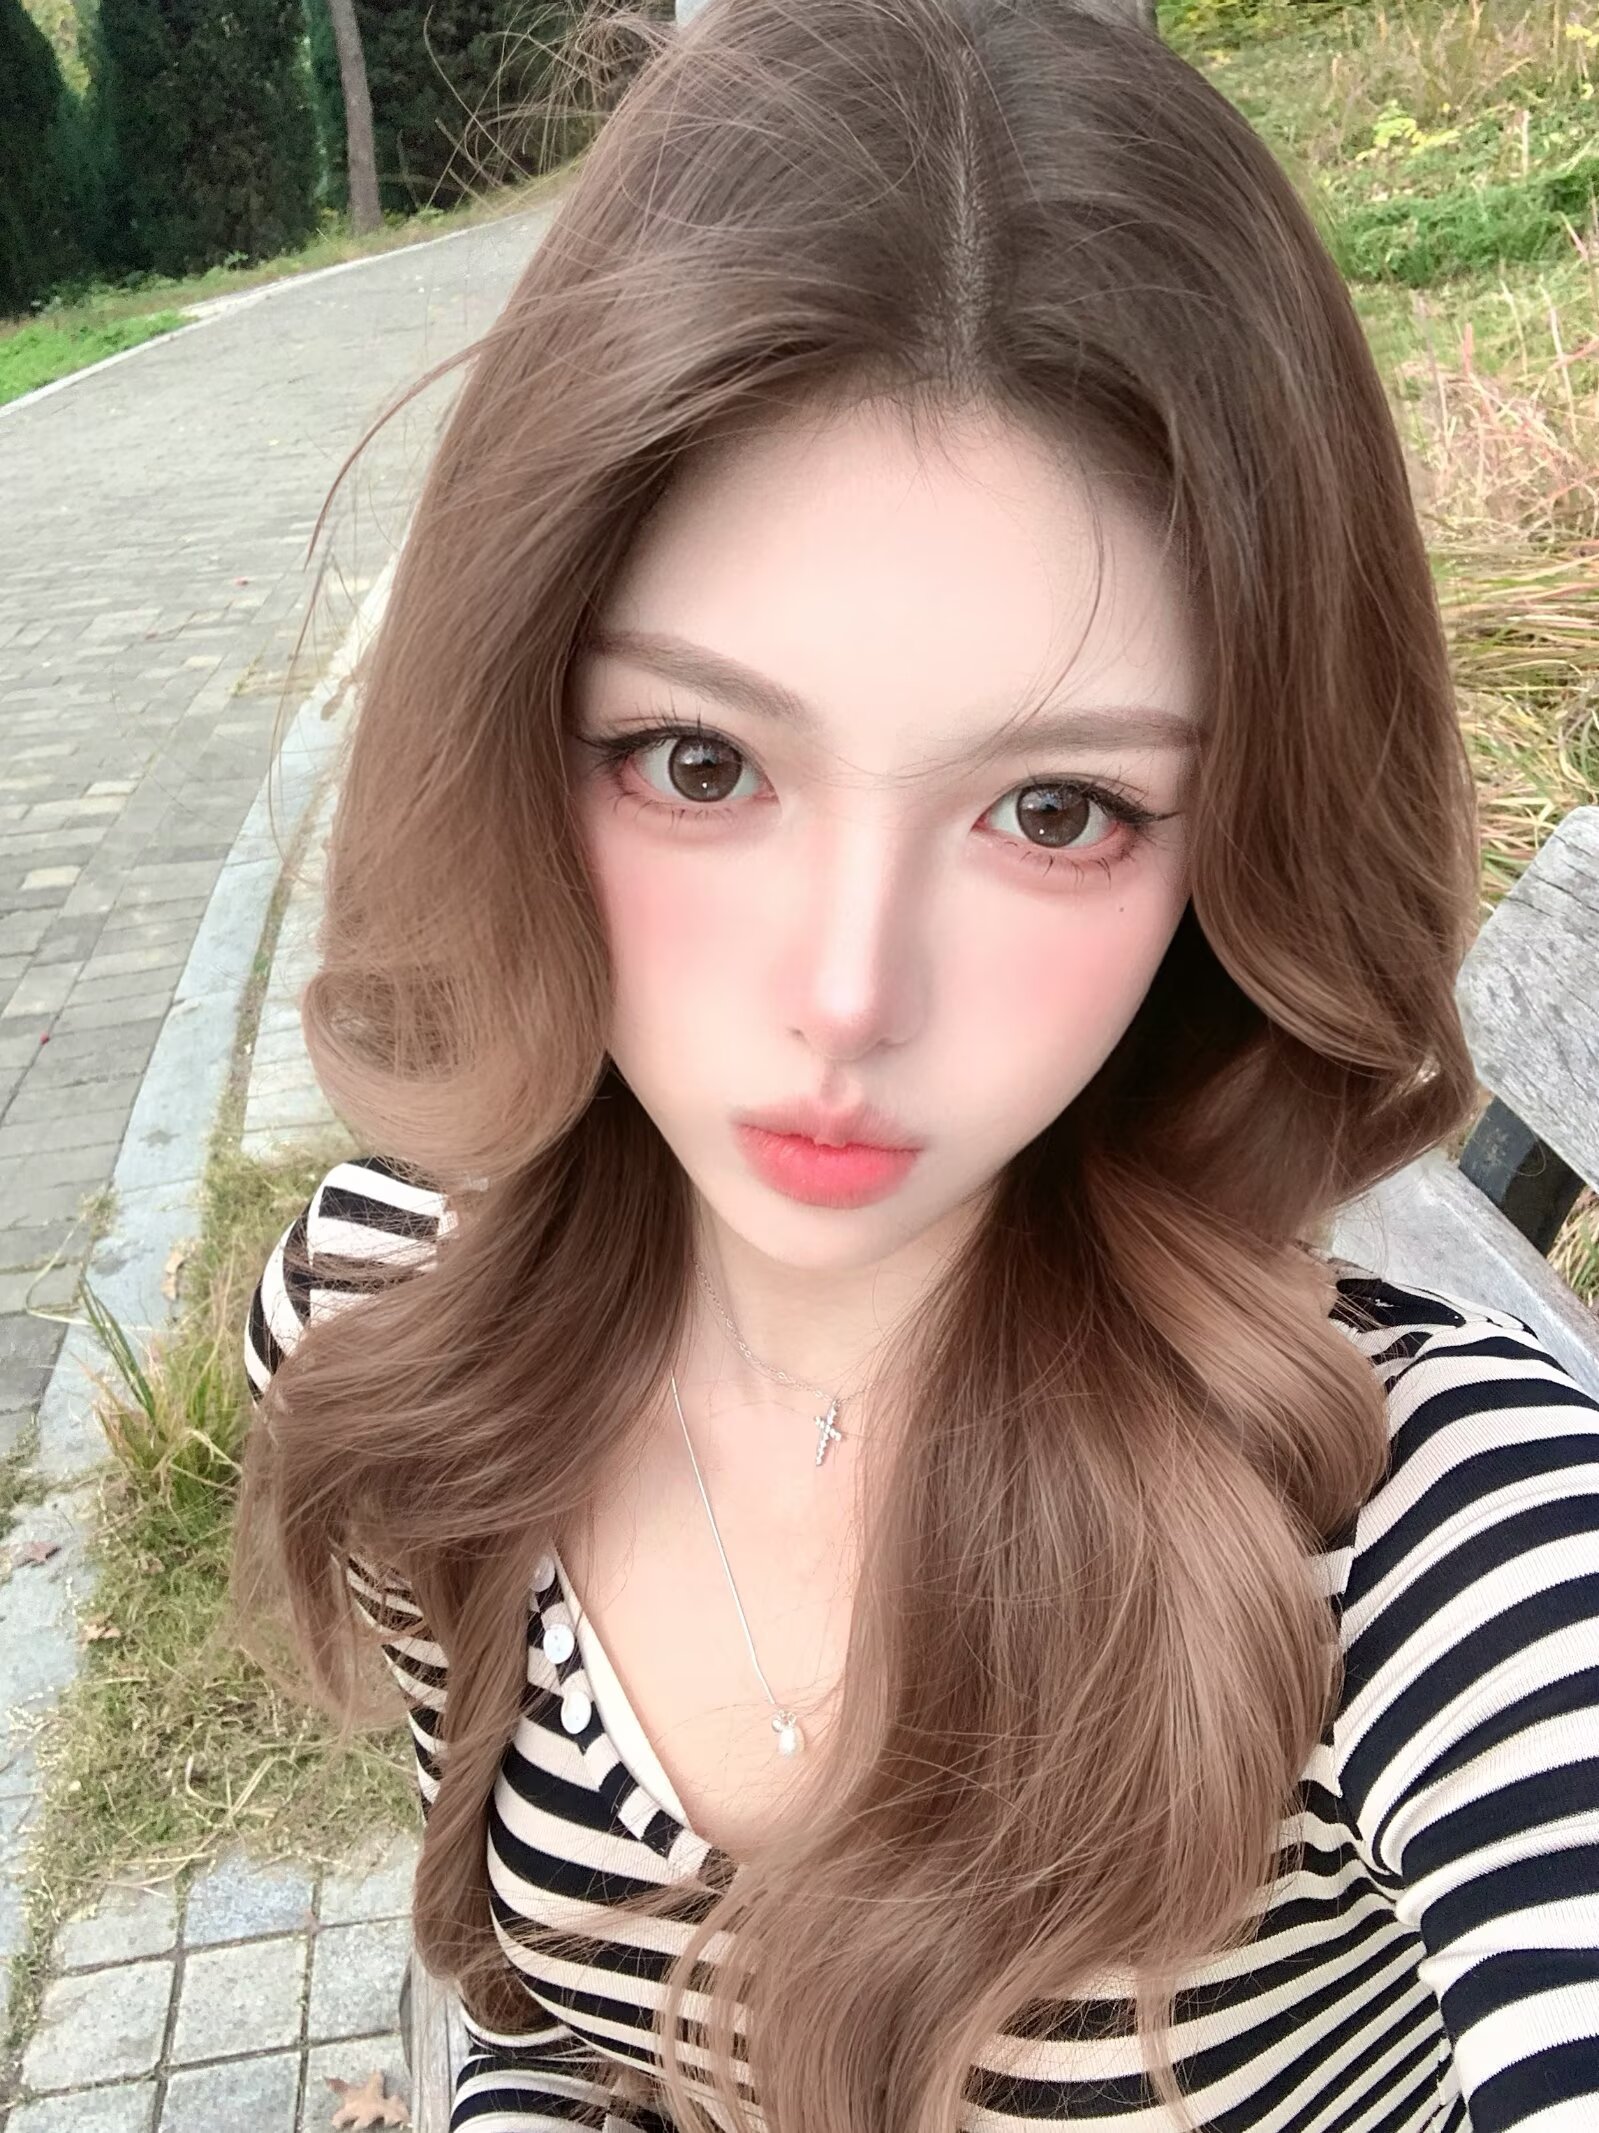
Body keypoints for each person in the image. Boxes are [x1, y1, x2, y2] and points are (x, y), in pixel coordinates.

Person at [237, 0, 1599, 2127]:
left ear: (1231, 842)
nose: (847, 992)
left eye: (1055, 808)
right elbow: (559, 2032)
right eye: (699, 761)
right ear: (515, 730)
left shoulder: (1420, 1529)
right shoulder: (394, 1327)